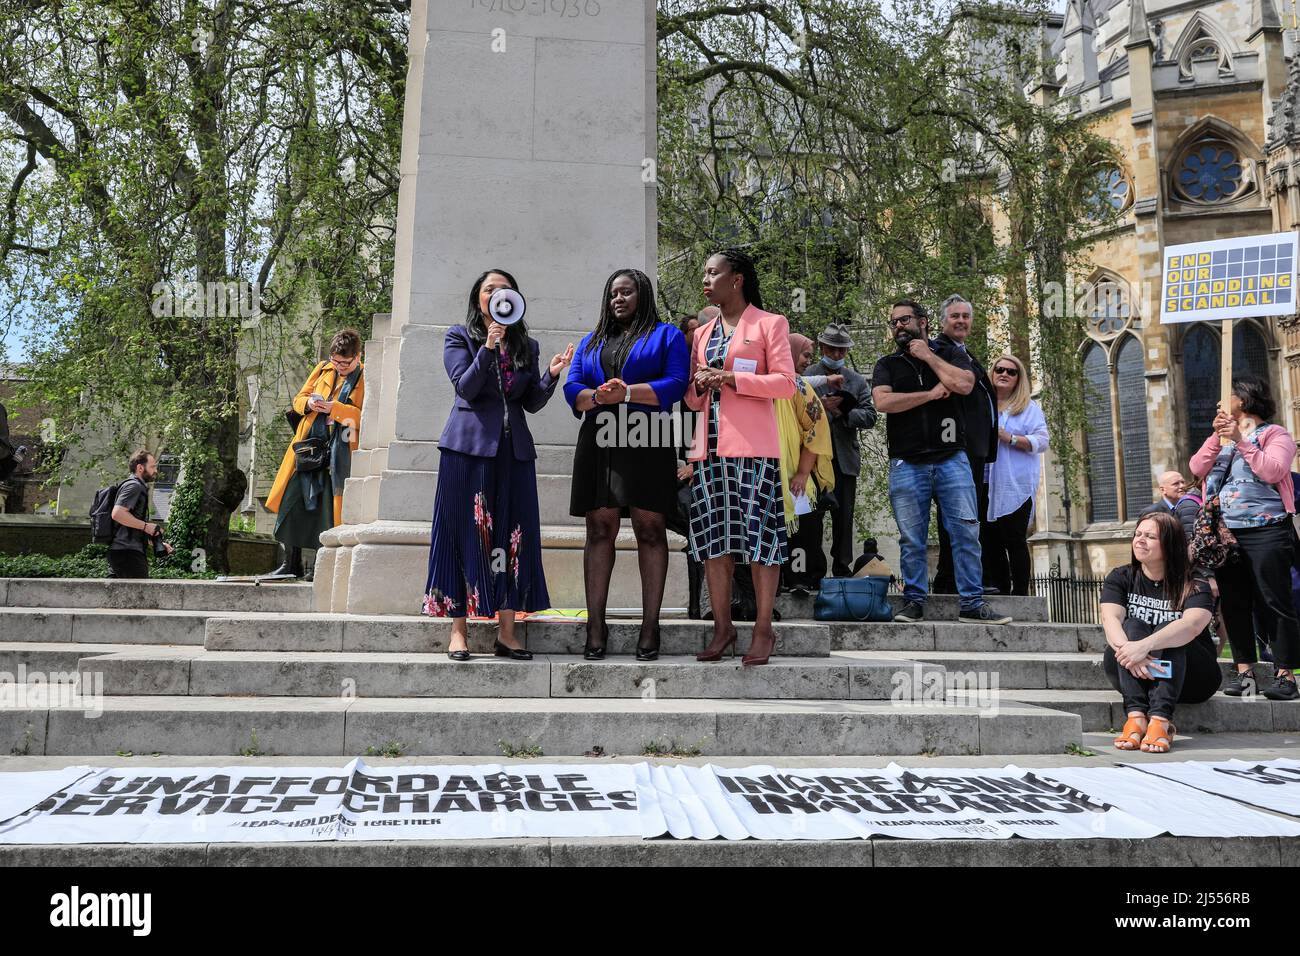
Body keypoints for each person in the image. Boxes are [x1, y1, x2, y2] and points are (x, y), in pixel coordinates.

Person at [424, 269, 573, 661]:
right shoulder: (460, 336)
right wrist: (488, 347)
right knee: (462, 535)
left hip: (513, 454)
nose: (497, 294)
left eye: (505, 289)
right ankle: (459, 630)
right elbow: (466, 388)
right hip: (467, 451)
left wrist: (551, 376)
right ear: (479, 298)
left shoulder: (528, 344)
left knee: (512, 538)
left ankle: (507, 632)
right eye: (490, 289)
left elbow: (531, 402)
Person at [564, 269, 689, 660]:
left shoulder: (666, 334)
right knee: (599, 528)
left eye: (627, 292)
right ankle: (595, 625)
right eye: (613, 293)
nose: (619, 299)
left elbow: (677, 383)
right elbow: (573, 385)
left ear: (643, 295)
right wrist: (598, 398)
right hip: (600, 438)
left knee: (650, 529)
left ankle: (650, 626)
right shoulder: (592, 339)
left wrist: (628, 393)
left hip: (646, 436)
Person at [683, 248, 796, 667]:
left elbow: (786, 384)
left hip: (754, 449)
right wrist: (696, 384)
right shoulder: (702, 333)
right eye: (704, 273)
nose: (706, 280)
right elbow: (695, 402)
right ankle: (722, 628)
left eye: (713, 273)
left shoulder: (770, 324)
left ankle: (764, 629)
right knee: (714, 543)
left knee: (761, 539)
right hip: (709, 451)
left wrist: (729, 377)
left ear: (737, 279)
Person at [870, 299, 1011, 625]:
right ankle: (914, 601)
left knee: (965, 531)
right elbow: (883, 401)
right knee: (912, 538)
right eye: (893, 323)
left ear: (923, 322)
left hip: (952, 460)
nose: (898, 327)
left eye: (904, 320)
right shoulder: (887, 363)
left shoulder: (949, 353)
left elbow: (964, 383)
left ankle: (972, 604)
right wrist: (930, 396)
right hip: (907, 463)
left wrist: (928, 356)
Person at [1190, 376, 1300, 700]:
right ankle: (1245, 676)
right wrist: (1216, 436)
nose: (1219, 402)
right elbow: (1197, 467)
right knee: (1235, 604)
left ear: (1245, 400)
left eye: (1228, 396)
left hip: (1266, 529)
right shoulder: (1222, 439)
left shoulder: (1276, 435)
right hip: (1227, 534)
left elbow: (1273, 471)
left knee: (1274, 600)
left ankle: (1285, 676)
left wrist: (1240, 439)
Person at [1101, 512, 1222, 753]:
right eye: (1137, 534)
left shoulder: (1195, 582)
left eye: (1150, 536)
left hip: (1192, 676)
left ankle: (1160, 719)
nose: (1139, 540)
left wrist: (1143, 647)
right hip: (1132, 669)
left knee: (1172, 628)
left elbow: (1192, 626)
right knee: (1132, 625)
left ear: (1170, 543)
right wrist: (1131, 651)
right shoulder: (1121, 577)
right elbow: (1110, 619)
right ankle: (1136, 716)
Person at [265, 329, 365, 579]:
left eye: (345, 362)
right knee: (292, 498)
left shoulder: (365, 376)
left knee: (328, 509)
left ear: (357, 356)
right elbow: (299, 399)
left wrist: (337, 409)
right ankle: (291, 563)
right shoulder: (322, 369)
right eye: (336, 361)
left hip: (339, 449)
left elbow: (364, 415)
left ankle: (323, 566)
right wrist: (309, 404)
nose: (340, 366)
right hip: (309, 445)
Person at [930, 295, 998, 595]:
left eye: (965, 316)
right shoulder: (940, 350)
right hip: (957, 444)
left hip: (976, 447)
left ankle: (960, 577)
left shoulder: (963, 351)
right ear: (943, 320)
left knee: (969, 515)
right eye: (955, 316)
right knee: (958, 515)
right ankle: (952, 578)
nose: (961, 321)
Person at [804, 322, 876, 577]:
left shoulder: (856, 380)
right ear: (822, 346)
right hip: (812, 460)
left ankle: (842, 566)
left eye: (841, 351)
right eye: (832, 349)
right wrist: (822, 409)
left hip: (845, 459)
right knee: (811, 518)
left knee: (844, 518)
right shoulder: (808, 374)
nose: (836, 355)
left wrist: (844, 413)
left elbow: (870, 416)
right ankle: (812, 570)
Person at [982, 353, 1048, 596]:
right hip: (985, 482)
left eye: (1011, 371)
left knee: (1014, 540)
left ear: (1019, 378)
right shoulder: (983, 404)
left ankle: (1020, 593)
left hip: (1014, 486)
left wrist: (1009, 438)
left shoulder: (1028, 409)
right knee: (990, 540)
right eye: (999, 369)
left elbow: (1042, 441)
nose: (1004, 374)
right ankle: (999, 588)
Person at [777, 331, 836, 595]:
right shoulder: (765, 381)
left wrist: (802, 473)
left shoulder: (800, 386)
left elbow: (817, 430)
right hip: (768, 472)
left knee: (804, 529)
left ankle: (802, 580)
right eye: (805, 355)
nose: (807, 361)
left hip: (796, 474)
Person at [108, 449, 174, 579]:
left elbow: (129, 525)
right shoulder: (134, 486)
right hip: (127, 554)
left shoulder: (137, 486)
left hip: (123, 553)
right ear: (140, 468)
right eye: (152, 466)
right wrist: (146, 526)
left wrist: (156, 543)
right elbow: (117, 513)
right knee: (140, 598)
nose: (156, 470)